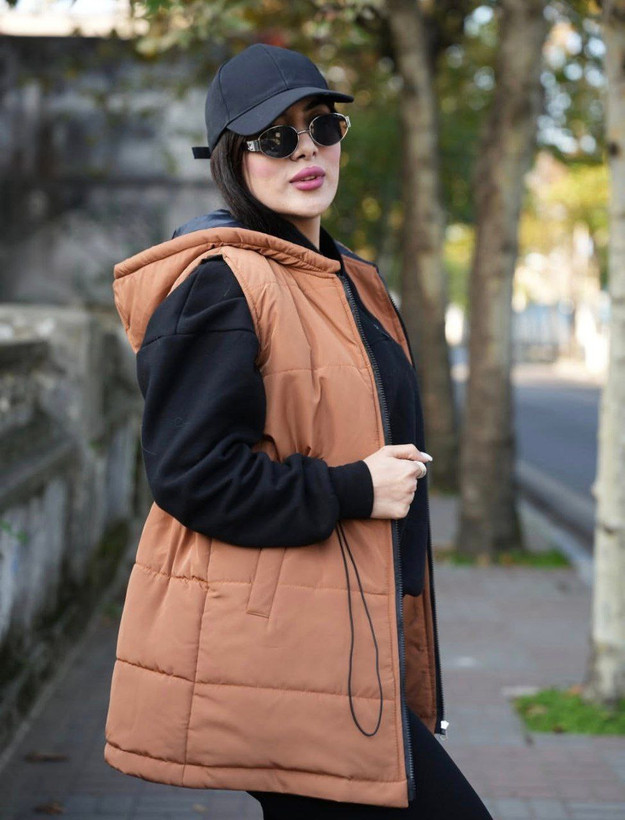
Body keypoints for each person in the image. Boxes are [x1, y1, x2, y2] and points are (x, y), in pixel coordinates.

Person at [104, 43, 493, 819]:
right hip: (282, 650)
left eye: (321, 125)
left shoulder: (343, 278)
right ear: (231, 160)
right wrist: (355, 489)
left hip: (338, 639)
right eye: (275, 137)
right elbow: (193, 475)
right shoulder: (222, 282)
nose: (306, 149)